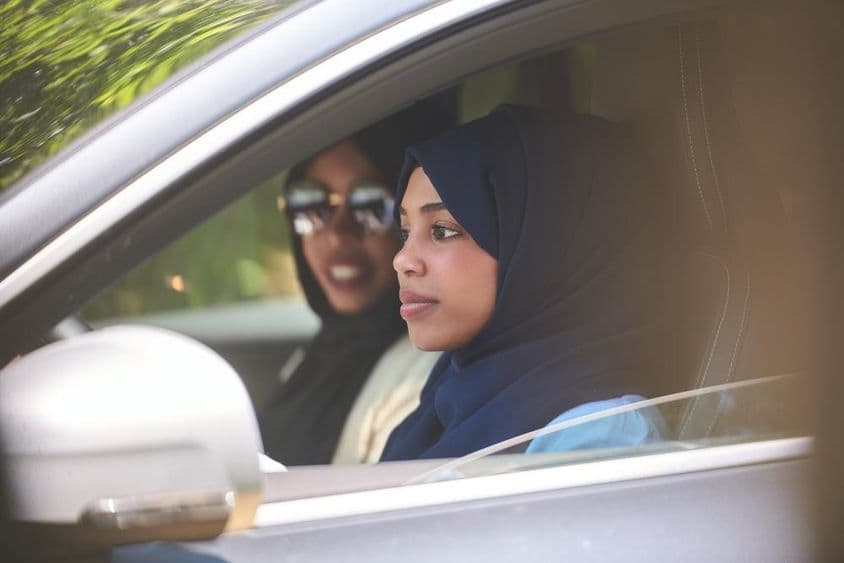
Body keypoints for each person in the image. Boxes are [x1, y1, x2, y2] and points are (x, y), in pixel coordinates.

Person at [380, 105, 665, 461]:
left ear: (543, 246)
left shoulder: (596, 437)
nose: (402, 260)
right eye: (405, 232)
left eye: (442, 231)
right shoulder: (456, 391)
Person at [259, 103, 451, 465]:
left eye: (370, 204)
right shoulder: (322, 352)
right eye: (310, 204)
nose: (336, 233)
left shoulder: (424, 376)